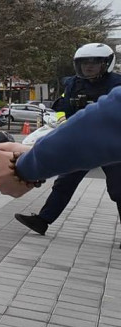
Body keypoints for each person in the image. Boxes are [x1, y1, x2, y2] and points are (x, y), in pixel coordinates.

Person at [10, 43, 121, 235]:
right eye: (84, 63)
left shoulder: (117, 84)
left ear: (107, 64)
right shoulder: (73, 84)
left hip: (109, 144)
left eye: (94, 63)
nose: (88, 67)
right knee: (64, 182)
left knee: (119, 189)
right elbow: (62, 109)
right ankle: (43, 220)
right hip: (80, 143)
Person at [0, 85, 121, 200]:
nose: (89, 67)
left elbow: (109, 120)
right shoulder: (74, 85)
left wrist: (24, 166)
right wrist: (31, 154)